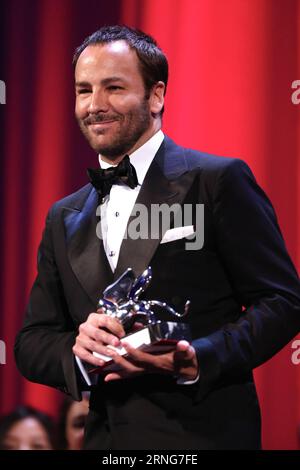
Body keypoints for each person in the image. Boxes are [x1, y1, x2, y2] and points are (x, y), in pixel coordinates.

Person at [15, 25, 300, 450]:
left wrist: (197, 358)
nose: (94, 105)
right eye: (83, 90)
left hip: (203, 439)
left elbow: (282, 302)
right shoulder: (63, 216)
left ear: (156, 96)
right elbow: (32, 342)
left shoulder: (216, 181)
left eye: (113, 87)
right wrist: (78, 350)